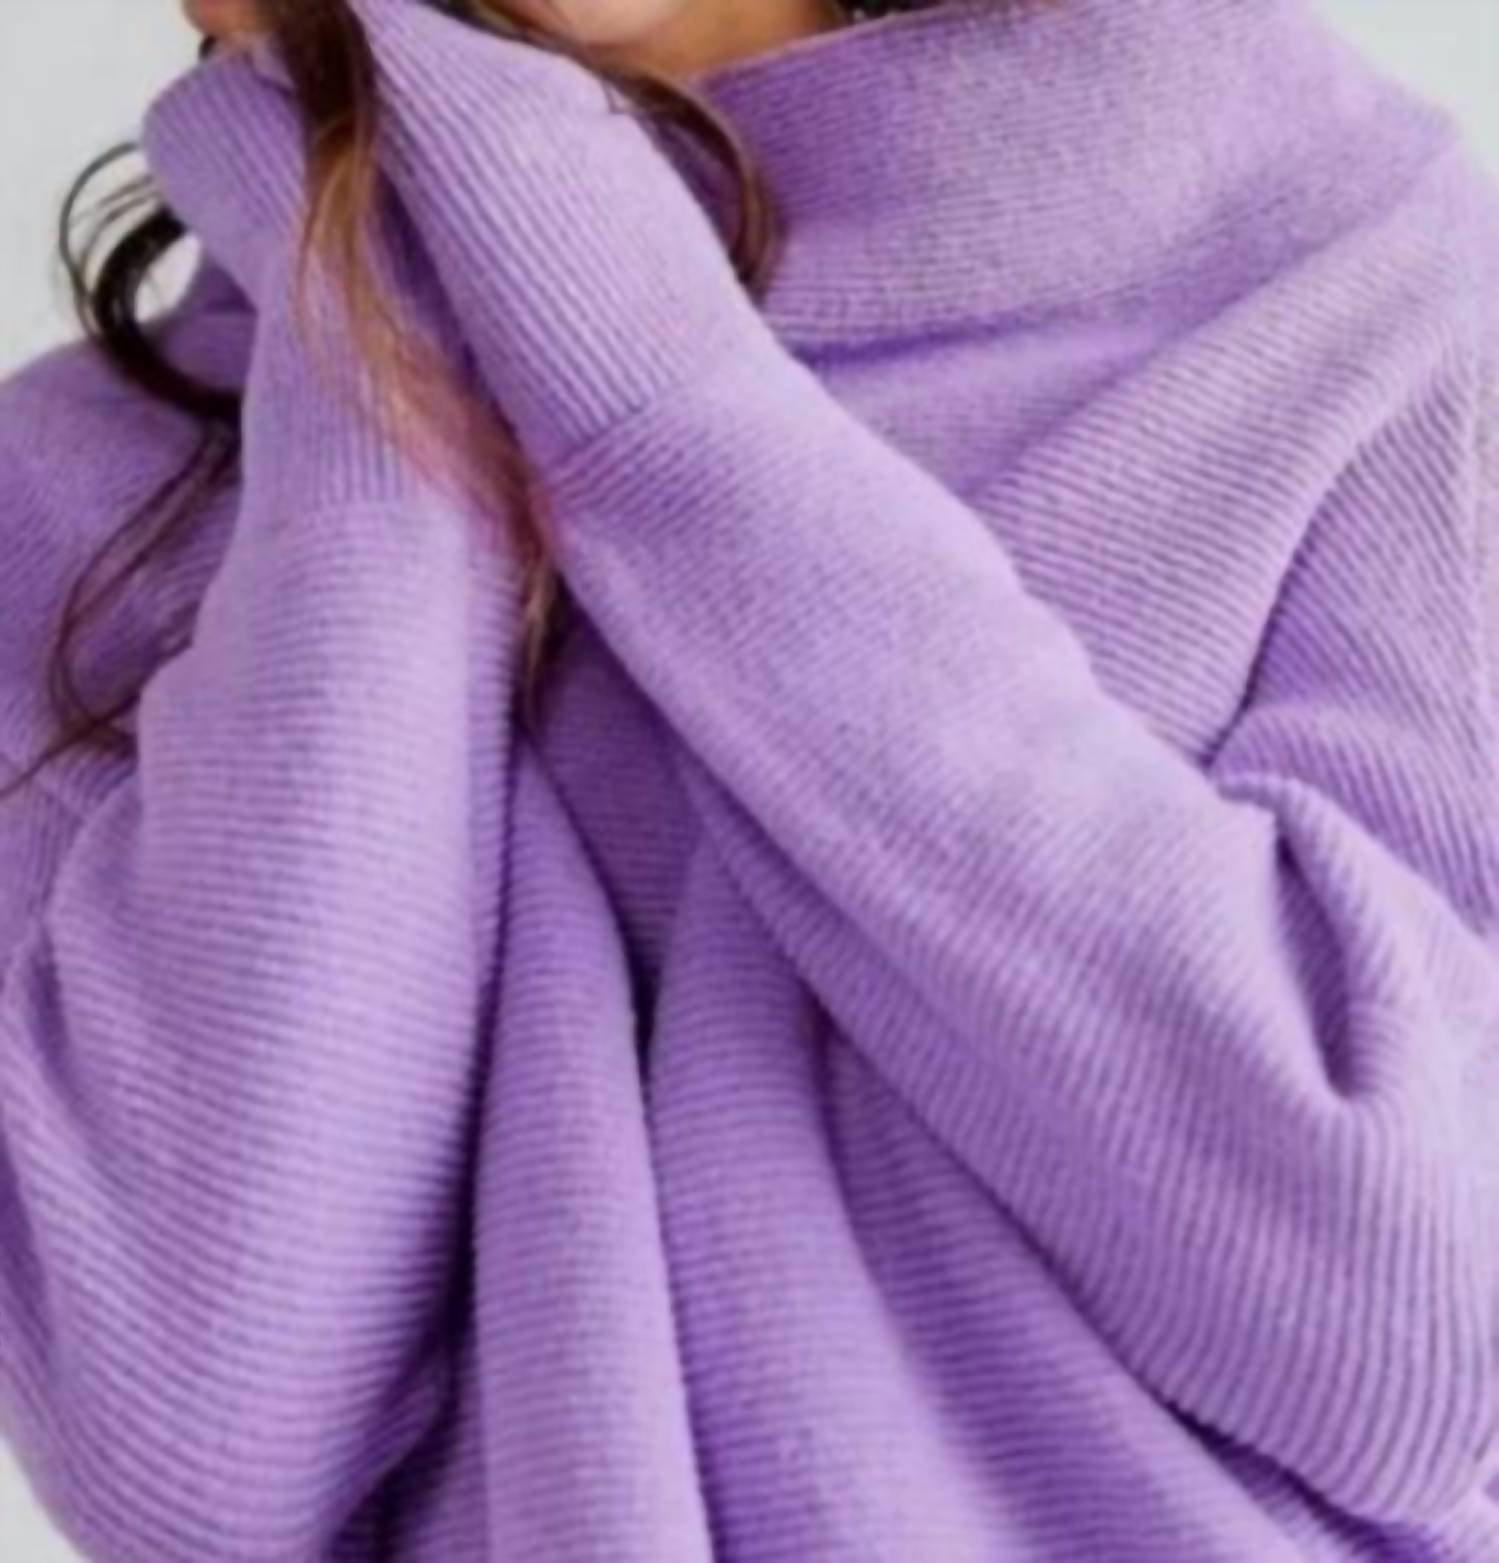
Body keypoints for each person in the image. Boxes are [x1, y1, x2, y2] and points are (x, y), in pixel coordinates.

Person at [3, 0, 1499, 1556]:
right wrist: (374, 308)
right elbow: (203, 1460)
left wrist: (637, 378)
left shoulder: (1342, 257)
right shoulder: (81, 502)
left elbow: (1418, 1317)